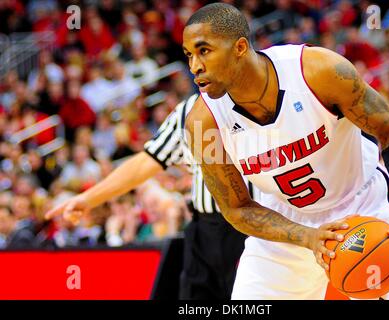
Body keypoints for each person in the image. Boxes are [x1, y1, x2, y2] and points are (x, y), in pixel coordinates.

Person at [182, 3, 389, 300]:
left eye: (204, 51)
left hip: (359, 203)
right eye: (189, 55)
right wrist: (308, 237)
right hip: (284, 221)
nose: (195, 66)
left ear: (240, 47)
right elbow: (236, 208)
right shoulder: (203, 123)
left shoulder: (317, 71)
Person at [45, 93, 254, 300]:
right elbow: (148, 160)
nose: (197, 65)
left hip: (255, 225)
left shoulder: (263, 98)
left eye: (204, 56)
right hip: (205, 228)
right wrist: (88, 198)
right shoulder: (189, 109)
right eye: (190, 57)